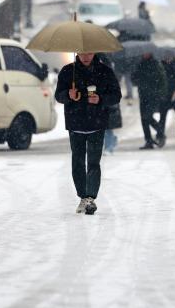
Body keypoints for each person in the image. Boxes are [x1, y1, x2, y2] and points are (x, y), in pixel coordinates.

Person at [54, 53, 122, 215]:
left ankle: (90, 198)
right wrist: (67, 95)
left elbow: (116, 96)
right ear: (77, 53)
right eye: (83, 53)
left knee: (93, 162)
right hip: (75, 123)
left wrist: (100, 99)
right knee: (77, 162)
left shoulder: (105, 71)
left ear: (94, 53)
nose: (85, 56)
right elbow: (58, 96)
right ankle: (83, 196)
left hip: (97, 124)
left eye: (89, 52)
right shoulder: (68, 71)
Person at [132, 52, 167, 149]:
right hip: (143, 95)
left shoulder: (156, 64)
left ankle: (161, 133)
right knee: (144, 119)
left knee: (148, 116)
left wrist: (160, 94)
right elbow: (134, 79)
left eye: (147, 52)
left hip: (153, 96)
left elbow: (162, 80)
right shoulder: (139, 64)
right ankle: (148, 141)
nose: (145, 54)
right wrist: (136, 78)